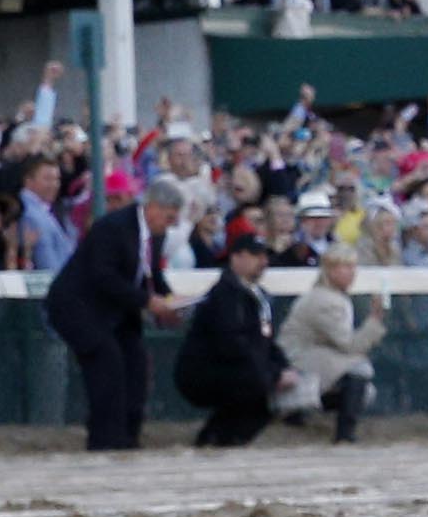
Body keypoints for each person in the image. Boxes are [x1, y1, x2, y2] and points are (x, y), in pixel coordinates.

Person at [45, 174, 185, 451]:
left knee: (136, 366)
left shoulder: (154, 236)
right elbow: (103, 276)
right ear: (153, 207)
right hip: (79, 308)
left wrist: (171, 300)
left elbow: (150, 274)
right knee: (106, 365)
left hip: (115, 313)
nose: (172, 225)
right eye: (169, 218)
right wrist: (148, 301)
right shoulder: (113, 227)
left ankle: (128, 436)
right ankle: (105, 440)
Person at [176, 225, 291, 446]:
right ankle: (217, 439)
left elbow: (265, 340)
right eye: (256, 255)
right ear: (236, 257)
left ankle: (221, 439)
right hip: (206, 372)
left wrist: (283, 367)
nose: (263, 261)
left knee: (259, 388)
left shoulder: (257, 295)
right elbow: (232, 344)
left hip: (235, 369)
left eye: (265, 255)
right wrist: (274, 374)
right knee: (255, 386)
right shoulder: (225, 294)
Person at [282, 249, 389, 442]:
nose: (351, 272)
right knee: (359, 369)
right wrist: (374, 319)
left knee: (362, 386)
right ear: (330, 271)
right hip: (297, 360)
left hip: (310, 357)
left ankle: (300, 413)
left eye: (353, 267)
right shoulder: (324, 300)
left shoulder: (333, 296)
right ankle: (344, 433)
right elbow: (349, 346)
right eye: (345, 267)